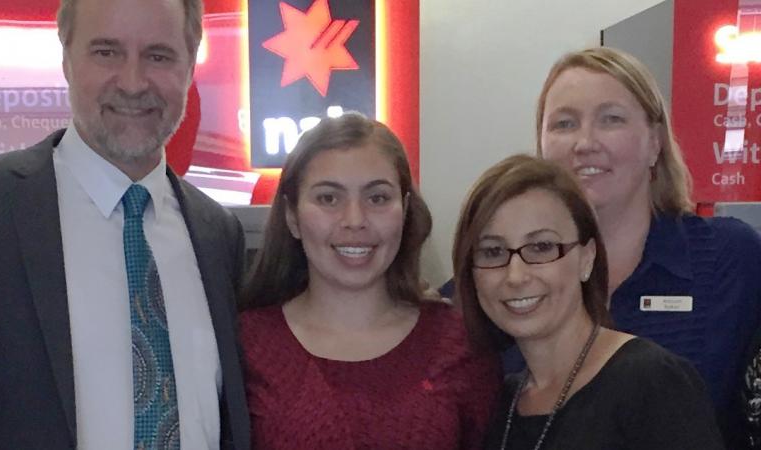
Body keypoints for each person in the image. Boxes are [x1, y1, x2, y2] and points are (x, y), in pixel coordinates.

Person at [0, 0, 250, 448]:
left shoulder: (219, 236)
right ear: (66, 59)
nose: (133, 83)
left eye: (158, 55)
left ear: (190, 66)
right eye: (106, 52)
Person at [535, 46, 761, 446]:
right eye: (564, 123)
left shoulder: (731, 258)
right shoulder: (510, 276)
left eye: (611, 119)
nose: (584, 142)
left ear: (655, 142)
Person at [239, 113, 499, 449]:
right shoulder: (246, 344)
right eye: (328, 198)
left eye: (377, 198)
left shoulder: (461, 346)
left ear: (404, 210)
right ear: (292, 216)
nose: (355, 220)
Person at [453, 154, 724, 449]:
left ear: (587, 257)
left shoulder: (651, 381)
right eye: (492, 252)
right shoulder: (499, 401)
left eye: (542, 247)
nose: (515, 275)